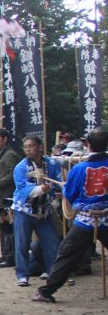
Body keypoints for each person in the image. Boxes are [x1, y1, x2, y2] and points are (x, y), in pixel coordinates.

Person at [34, 128, 108, 302]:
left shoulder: (80, 168)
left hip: (84, 220)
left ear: (87, 145)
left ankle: (46, 291)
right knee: (67, 253)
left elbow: (71, 194)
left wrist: (65, 187)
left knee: (66, 255)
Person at [11, 135, 62, 288]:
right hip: (24, 210)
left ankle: (54, 272)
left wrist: (58, 189)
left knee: (52, 242)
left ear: (40, 147)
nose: (28, 149)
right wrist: (41, 188)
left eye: (31, 146)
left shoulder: (51, 163)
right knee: (22, 244)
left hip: (43, 211)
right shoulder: (21, 167)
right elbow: (23, 189)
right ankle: (22, 275)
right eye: (25, 147)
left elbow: (58, 178)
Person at [0, 128, 21, 268]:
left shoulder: (10, 155)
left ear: (5, 139)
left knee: (8, 226)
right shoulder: (1, 154)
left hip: (7, 195)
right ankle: (5, 254)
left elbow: (11, 176)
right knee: (2, 226)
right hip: (0, 194)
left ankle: (10, 257)